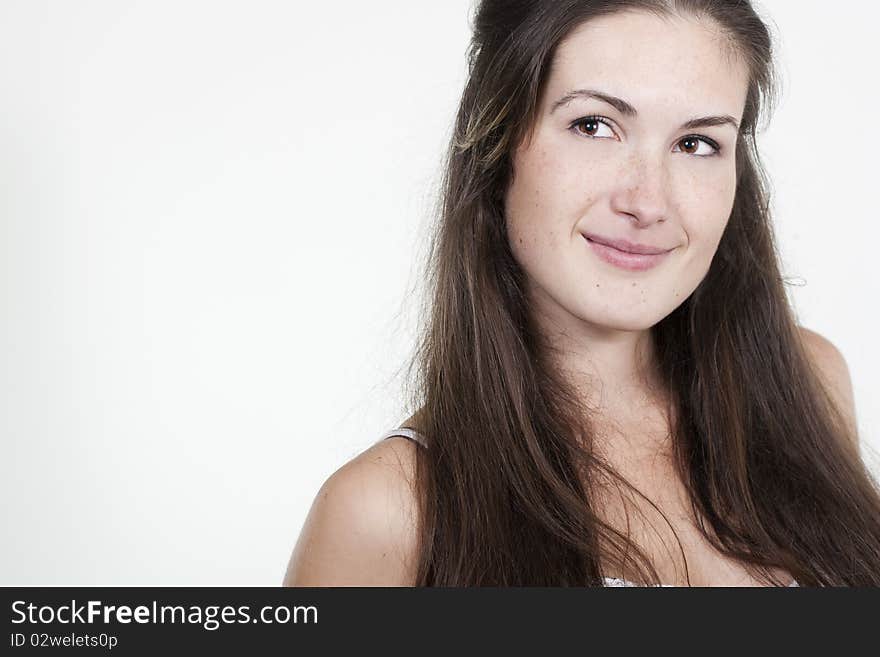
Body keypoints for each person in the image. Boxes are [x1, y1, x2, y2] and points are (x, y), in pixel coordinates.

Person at [283, 0, 880, 587]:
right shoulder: (389, 513)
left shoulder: (812, 383)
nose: (648, 203)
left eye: (696, 143)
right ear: (497, 143)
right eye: (594, 126)